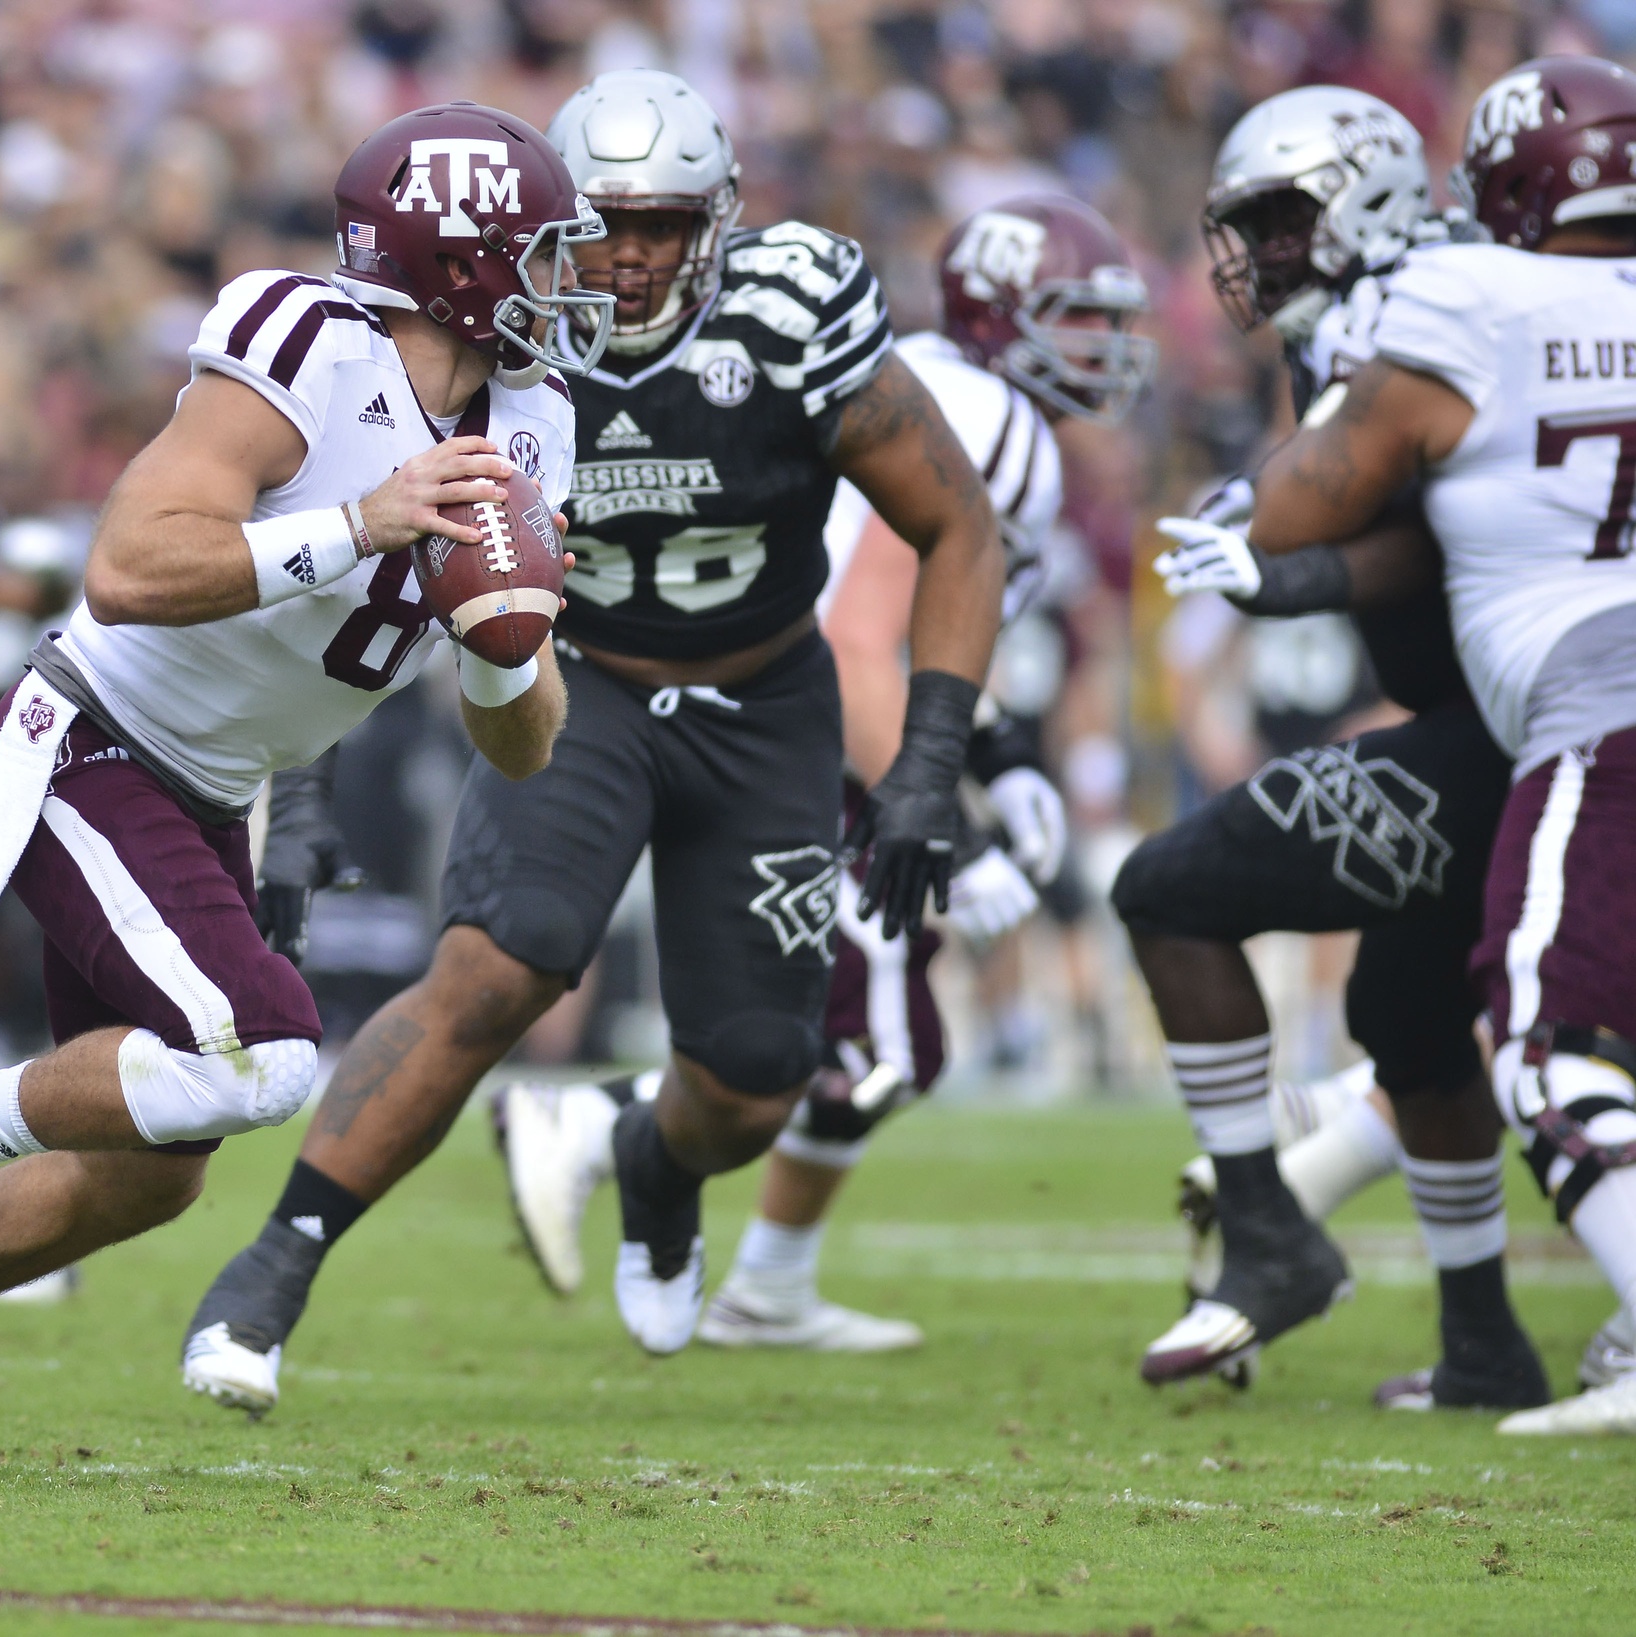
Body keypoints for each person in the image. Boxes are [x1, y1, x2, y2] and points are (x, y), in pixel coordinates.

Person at [0, 100, 600, 1479]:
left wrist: (505, 645)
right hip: (97, 738)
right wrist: (359, 525)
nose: (573, 285)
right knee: (261, 1055)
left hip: (213, 788)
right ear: (461, 264)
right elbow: (128, 567)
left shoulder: (538, 423)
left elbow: (524, 743)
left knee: (151, 1168)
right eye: (545, 253)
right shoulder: (310, 345)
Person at [182, 68, 1003, 1417]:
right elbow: (366, 548)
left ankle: (655, 1161)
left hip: (764, 701)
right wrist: (306, 780)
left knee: (752, 1078)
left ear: (717, 223)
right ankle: (276, 1264)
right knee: (495, 970)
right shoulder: (493, 345)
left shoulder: (791, 318)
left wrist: (925, 761)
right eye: (607, 223)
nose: (629, 256)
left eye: (665, 226)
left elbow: (957, 523)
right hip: (579, 688)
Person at [497, 194, 1156, 1351]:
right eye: (1078, 321)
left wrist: (999, 753)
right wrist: (955, 811)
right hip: (822, 740)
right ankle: (610, 1132)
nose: (1103, 353)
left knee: (861, 1042)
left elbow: (921, 628)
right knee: (872, 1046)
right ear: (1006, 315)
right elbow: (861, 638)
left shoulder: (944, 388)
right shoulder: (990, 413)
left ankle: (765, 1282)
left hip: (812, 725)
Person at [1112, 85, 1549, 1411]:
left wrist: (1285, 580)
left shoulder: (1435, 308)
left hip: (1521, 730)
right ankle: (1483, 1344)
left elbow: (1444, 522)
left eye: (1283, 220)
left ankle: (1269, 1233)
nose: (1260, 253)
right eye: (1246, 226)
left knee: (1167, 891)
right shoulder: (1372, 327)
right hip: (1488, 721)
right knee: (1407, 1024)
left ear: (1369, 196)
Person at [1232, 54, 1636, 1434]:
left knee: (1544, 1039)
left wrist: (1257, 538)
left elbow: (1296, 508)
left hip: (1599, 699)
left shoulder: (1469, 290)